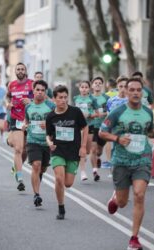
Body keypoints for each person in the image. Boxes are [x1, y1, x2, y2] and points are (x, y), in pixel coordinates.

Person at [99, 77, 154, 250]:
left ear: (142, 92)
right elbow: (102, 132)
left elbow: (149, 133)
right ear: (126, 92)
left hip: (142, 159)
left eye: (138, 90)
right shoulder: (117, 112)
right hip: (121, 161)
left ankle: (134, 238)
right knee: (122, 202)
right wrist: (117, 138)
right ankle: (115, 198)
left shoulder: (147, 112)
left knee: (139, 195)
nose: (135, 93)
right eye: (132, 90)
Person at [46, 85, 88, 220]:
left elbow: (85, 127)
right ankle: (61, 207)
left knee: (68, 183)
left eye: (65, 97)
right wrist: (49, 143)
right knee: (59, 178)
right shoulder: (50, 116)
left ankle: (62, 199)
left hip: (73, 151)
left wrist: (83, 146)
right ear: (54, 99)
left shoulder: (75, 112)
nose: (63, 100)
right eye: (60, 98)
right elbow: (48, 135)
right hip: (58, 150)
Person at [23, 80, 55, 207]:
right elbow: (26, 120)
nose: (40, 92)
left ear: (45, 92)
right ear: (33, 91)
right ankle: (37, 195)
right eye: (38, 90)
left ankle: (39, 175)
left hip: (46, 142)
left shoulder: (51, 106)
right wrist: (25, 126)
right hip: (32, 140)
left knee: (43, 168)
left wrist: (48, 124)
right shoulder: (28, 107)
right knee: (36, 165)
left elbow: (57, 121)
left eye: (42, 90)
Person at [6, 62, 34, 191]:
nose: (20, 71)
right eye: (18, 69)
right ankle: (20, 178)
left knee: (25, 151)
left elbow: (42, 98)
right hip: (16, 118)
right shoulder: (11, 85)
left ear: (26, 71)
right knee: (18, 149)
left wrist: (31, 101)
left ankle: (16, 166)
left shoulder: (32, 84)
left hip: (29, 119)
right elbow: (7, 97)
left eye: (22, 69)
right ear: (15, 71)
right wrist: (8, 103)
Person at [73, 80, 99, 181]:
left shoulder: (92, 99)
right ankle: (83, 172)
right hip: (79, 126)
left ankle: (84, 156)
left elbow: (97, 113)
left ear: (89, 89)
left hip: (89, 125)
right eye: (82, 87)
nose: (84, 89)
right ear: (79, 89)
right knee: (81, 148)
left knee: (88, 150)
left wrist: (89, 115)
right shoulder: (76, 98)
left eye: (86, 87)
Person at [90, 77, 109, 181]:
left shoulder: (106, 98)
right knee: (93, 149)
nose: (97, 84)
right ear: (92, 85)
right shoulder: (89, 98)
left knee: (99, 151)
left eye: (99, 83)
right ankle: (95, 171)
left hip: (103, 127)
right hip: (92, 126)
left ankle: (98, 158)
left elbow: (109, 111)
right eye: (95, 83)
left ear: (102, 85)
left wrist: (101, 113)